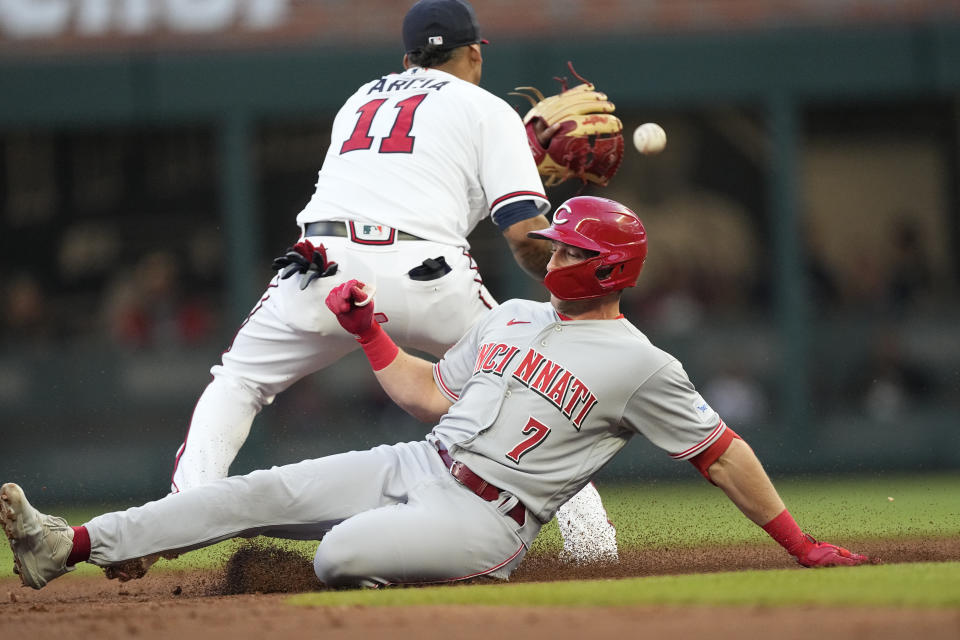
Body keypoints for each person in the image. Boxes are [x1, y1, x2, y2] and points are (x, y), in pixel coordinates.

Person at [1, 196, 871, 591]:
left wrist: (800, 544)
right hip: (421, 460)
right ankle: (69, 544)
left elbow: (724, 455)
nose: (553, 256)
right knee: (251, 492)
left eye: (570, 250)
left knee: (341, 554)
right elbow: (422, 395)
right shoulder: (517, 316)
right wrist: (370, 329)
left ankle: (385, 568)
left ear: (609, 269)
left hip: (487, 519)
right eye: (557, 246)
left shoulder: (643, 364)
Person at [168, 0, 617, 562]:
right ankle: (593, 546)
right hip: (427, 275)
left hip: (321, 268)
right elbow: (524, 237)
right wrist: (571, 272)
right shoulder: (486, 108)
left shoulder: (359, 99)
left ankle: (179, 514)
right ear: (476, 53)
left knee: (236, 383)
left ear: (407, 58)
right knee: (530, 388)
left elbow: (403, 189)